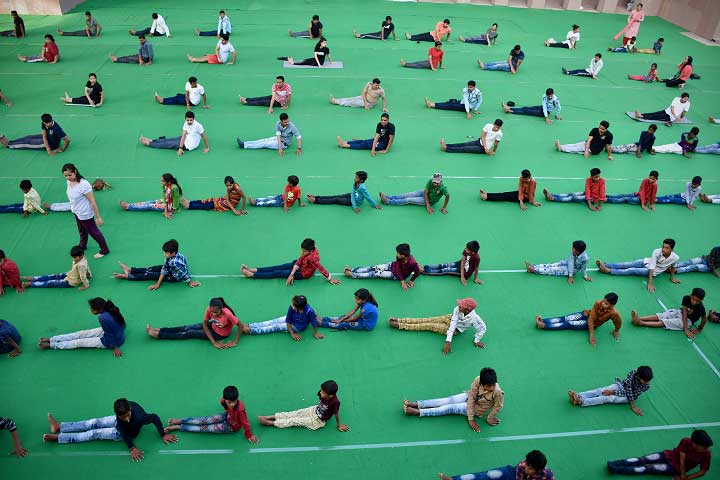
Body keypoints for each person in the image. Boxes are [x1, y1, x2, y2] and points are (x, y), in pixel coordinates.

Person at [402, 368, 502, 430]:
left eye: (493, 385)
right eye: (489, 386)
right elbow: (471, 396)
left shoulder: (497, 392)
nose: (492, 388)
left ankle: (417, 412)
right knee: (446, 400)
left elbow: (498, 406)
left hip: (477, 408)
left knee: (449, 408)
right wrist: (470, 418)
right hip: (470, 397)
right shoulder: (478, 379)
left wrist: (488, 418)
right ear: (482, 383)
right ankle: (417, 404)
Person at [390, 298, 487, 354]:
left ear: (467, 309)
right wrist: (448, 342)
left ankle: (400, 325)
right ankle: (399, 319)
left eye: (461, 305)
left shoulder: (474, 318)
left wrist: (477, 340)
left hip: (456, 330)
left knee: (428, 326)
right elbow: (453, 323)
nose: (459, 305)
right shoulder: (457, 309)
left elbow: (483, 328)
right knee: (427, 319)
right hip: (449, 318)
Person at [165, 386, 258, 443]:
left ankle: (179, 427)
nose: (232, 404)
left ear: (237, 398)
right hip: (226, 416)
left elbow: (245, 423)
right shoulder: (223, 401)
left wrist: (249, 435)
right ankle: (180, 420)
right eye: (229, 402)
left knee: (203, 428)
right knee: (202, 420)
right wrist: (228, 412)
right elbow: (226, 408)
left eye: (234, 401)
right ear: (225, 399)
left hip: (231, 427)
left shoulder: (240, 409)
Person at [38, 297, 125, 356]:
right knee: (81, 333)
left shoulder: (102, 318)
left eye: (91, 308)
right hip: (117, 334)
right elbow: (120, 324)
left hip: (111, 341)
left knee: (78, 342)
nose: (90, 310)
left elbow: (110, 334)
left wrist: (115, 347)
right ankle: (51, 339)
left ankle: (51, 345)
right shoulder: (111, 310)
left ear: (99, 309)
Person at [607, 429, 713, 478]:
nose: (705, 449)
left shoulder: (706, 454)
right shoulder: (686, 441)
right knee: (643, 459)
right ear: (694, 443)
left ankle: (616, 469)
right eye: (702, 446)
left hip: (674, 468)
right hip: (669, 455)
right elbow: (682, 456)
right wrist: (682, 475)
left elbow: (703, 471)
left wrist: (685, 478)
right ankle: (615, 463)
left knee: (646, 468)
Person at [240, 238, 340, 285]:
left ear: (310, 250)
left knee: (277, 273)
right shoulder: (310, 250)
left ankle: (252, 275)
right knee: (277, 267)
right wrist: (292, 271)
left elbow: (320, 268)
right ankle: (254, 270)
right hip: (299, 265)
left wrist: (329, 278)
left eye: (304, 251)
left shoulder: (312, 258)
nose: (302, 252)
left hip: (302, 273)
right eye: (302, 249)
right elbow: (300, 259)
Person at [146, 297, 241, 347]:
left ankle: (159, 335)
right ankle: (159, 330)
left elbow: (241, 326)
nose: (213, 313)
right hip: (212, 325)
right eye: (212, 311)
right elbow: (204, 324)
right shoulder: (209, 309)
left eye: (216, 312)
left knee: (189, 333)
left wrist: (234, 342)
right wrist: (213, 342)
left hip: (220, 334)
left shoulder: (227, 314)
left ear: (221, 309)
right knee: (186, 327)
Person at [258, 380, 349, 431]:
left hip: (317, 420)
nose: (320, 393)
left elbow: (336, 414)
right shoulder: (322, 393)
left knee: (295, 420)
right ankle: (270, 416)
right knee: (294, 413)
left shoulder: (335, 402)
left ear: (331, 395)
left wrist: (339, 425)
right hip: (314, 410)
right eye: (321, 390)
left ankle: (271, 423)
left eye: (323, 392)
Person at [536, 292, 621, 346]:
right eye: (603, 300)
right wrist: (592, 334)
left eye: (606, 303)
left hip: (592, 324)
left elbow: (618, 322)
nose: (602, 303)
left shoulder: (614, 313)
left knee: (569, 323)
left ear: (612, 305)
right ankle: (543, 320)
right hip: (587, 315)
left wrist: (616, 330)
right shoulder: (598, 303)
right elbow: (591, 317)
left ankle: (544, 326)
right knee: (566, 318)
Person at [596, 238, 680, 293]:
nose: (663, 249)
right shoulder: (657, 251)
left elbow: (673, 266)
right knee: (627, 264)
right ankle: (605, 265)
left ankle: (608, 270)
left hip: (652, 271)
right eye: (663, 247)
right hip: (646, 262)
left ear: (672, 249)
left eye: (666, 248)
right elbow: (652, 264)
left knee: (631, 270)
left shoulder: (675, 258)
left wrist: (671, 277)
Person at [62, 163, 108, 258]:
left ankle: (104, 250)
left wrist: (98, 217)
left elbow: (92, 201)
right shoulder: (69, 182)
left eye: (70, 175)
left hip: (85, 213)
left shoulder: (83, 184)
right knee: (82, 230)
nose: (68, 177)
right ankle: (82, 245)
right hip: (76, 211)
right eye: (65, 176)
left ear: (75, 171)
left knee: (94, 232)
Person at [114, 239, 200, 289]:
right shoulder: (175, 256)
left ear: (173, 252)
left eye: (166, 253)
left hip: (173, 276)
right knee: (150, 268)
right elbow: (165, 267)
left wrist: (157, 284)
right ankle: (130, 270)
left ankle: (127, 276)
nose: (164, 254)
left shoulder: (174, 262)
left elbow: (182, 272)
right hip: (170, 269)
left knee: (149, 275)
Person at [569, 366, 653, 416]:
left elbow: (630, 394)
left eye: (648, 380)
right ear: (638, 376)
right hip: (622, 386)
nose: (647, 382)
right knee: (601, 390)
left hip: (627, 397)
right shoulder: (634, 372)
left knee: (607, 398)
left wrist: (633, 406)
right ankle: (578, 395)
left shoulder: (646, 386)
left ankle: (581, 402)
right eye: (645, 380)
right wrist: (611, 391)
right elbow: (627, 386)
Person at [113, 399, 178, 462]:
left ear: (130, 408)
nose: (127, 419)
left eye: (128, 415)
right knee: (103, 422)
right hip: (119, 424)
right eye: (123, 417)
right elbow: (123, 431)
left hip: (123, 431)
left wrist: (163, 434)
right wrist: (131, 448)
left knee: (102, 433)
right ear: (117, 414)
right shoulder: (123, 408)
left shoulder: (140, 417)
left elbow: (154, 417)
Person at [631, 288, 707, 340]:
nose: (694, 302)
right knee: (664, 315)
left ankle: (641, 323)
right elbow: (684, 311)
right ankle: (639, 318)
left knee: (666, 322)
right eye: (693, 299)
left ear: (701, 300)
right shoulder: (686, 298)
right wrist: (686, 329)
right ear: (690, 295)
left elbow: (704, 319)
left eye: (697, 301)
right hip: (680, 312)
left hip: (688, 321)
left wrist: (699, 328)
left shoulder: (701, 308)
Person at [242, 295, 324, 340]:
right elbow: (288, 319)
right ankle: (251, 325)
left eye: (293, 304)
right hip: (290, 321)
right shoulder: (292, 307)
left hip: (297, 327)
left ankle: (252, 331)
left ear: (299, 308)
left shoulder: (310, 311)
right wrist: (291, 333)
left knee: (276, 326)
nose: (291, 304)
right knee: (273, 321)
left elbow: (314, 322)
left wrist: (315, 333)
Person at [344, 243, 420, 291]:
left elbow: (417, 272)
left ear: (403, 255)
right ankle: (353, 269)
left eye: (398, 253)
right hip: (392, 265)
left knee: (376, 273)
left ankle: (353, 275)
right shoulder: (399, 257)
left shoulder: (413, 263)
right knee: (374, 267)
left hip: (395, 275)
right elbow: (398, 266)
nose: (396, 254)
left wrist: (410, 280)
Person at [439, 450, 555, 480]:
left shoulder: (547, 475)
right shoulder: (521, 467)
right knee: (487, 475)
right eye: (526, 465)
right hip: (512, 474)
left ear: (538, 470)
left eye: (529, 468)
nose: (526, 468)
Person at [307, 171, 383, 214]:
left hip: (355, 201)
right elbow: (353, 193)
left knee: (336, 200)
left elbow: (368, 197)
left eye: (356, 178)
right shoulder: (356, 183)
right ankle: (316, 197)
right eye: (355, 176)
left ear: (361, 180)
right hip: (351, 196)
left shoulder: (362, 188)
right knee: (335, 196)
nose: (354, 178)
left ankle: (315, 201)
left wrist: (374, 205)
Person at [139, 111, 209, 155]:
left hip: (189, 145)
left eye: (191, 120)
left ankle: (149, 143)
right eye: (188, 120)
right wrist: (180, 146)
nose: (189, 122)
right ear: (185, 119)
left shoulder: (198, 126)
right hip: (186, 138)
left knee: (167, 144)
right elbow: (183, 135)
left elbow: (204, 137)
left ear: (194, 119)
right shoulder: (185, 123)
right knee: (169, 139)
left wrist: (207, 147)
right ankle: (152, 140)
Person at [22, 245, 91, 290]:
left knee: (50, 283)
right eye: (72, 257)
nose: (73, 259)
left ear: (81, 255)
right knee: (52, 276)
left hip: (70, 282)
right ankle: (34, 278)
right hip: (69, 274)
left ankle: (31, 284)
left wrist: (86, 285)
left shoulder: (81, 265)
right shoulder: (83, 257)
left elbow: (82, 276)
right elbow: (87, 267)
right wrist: (89, 274)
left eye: (75, 257)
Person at [119, 173, 183, 219]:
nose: (161, 182)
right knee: (149, 202)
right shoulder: (165, 185)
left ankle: (128, 207)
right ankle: (129, 204)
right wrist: (163, 201)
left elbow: (176, 201)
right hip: (166, 201)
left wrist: (169, 211)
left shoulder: (174, 188)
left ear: (169, 182)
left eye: (163, 181)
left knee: (149, 206)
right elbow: (164, 194)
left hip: (170, 206)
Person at [0, 113, 69, 155]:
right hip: (47, 138)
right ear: (43, 122)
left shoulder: (56, 128)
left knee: (27, 142)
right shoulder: (44, 123)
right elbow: (44, 136)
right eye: (46, 123)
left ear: (51, 120)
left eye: (49, 122)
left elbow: (67, 140)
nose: (48, 124)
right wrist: (48, 148)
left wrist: (62, 149)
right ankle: (11, 142)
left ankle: (8, 145)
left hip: (52, 145)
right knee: (28, 137)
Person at [380, 173, 449, 214]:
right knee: (408, 194)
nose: (435, 184)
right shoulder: (430, 181)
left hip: (430, 201)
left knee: (409, 199)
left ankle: (387, 201)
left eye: (437, 182)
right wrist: (427, 206)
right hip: (424, 194)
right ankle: (387, 197)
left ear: (441, 181)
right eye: (434, 182)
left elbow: (447, 196)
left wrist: (444, 207)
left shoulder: (443, 188)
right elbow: (425, 192)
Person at [237, 112, 302, 156]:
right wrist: (280, 148)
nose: (287, 123)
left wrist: (299, 148)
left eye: (288, 121)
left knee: (265, 144)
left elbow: (298, 136)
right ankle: (245, 143)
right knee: (263, 140)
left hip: (284, 144)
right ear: (281, 121)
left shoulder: (292, 126)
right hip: (279, 139)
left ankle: (244, 146)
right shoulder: (278, 124)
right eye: (285, 122)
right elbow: (278, 136)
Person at [526, 240, 590, 284]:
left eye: (573, 248)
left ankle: (534, 270)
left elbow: (583, 268)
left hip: (572, 270)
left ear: (577, 251)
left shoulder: (585, 258)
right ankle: (534, 266)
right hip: (566, 263)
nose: (572, 249)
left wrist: (584, 276)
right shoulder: (574, 252)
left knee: (552, 270)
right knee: (551, 265)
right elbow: (570, 262)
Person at [183, 176, 247, 215]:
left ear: (233, 183)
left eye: (230, 185)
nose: (228, 187)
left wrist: (241, 209)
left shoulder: (238, 189)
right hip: (227, 200)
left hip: (232, 204)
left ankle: (189, 206)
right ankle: (190, 202)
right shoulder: (228, 187)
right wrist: (234, 210)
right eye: (227, 186)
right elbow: (227, 199)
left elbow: (244, 198)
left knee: (210, 204)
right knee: (209, 200)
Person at [43, 412, 119, 444]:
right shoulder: (130, 406)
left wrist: (131, 448)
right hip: (120, 419)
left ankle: (59, 438)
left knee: (94, 433)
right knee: (92, 423)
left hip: (122, 431)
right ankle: (58, 426)